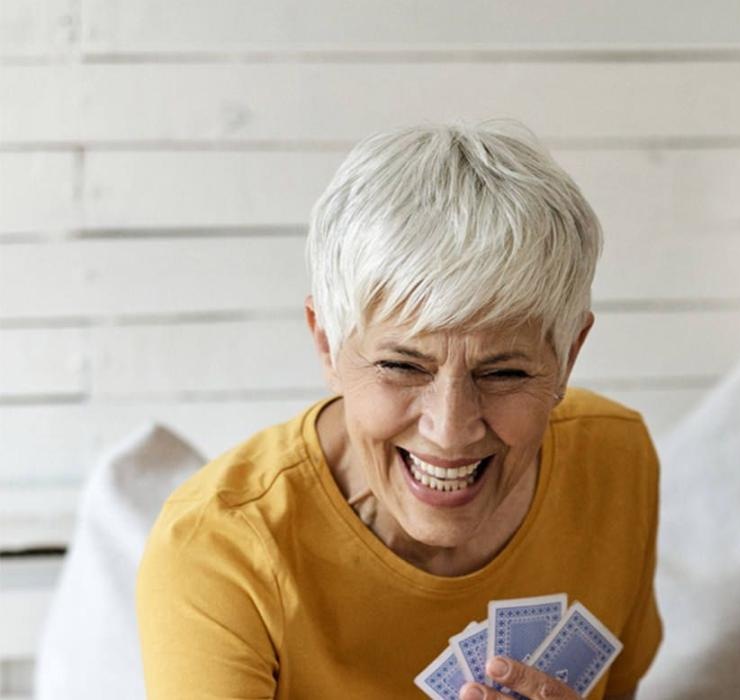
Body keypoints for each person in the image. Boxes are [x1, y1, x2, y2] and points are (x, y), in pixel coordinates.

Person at [136, 122, 661, 699]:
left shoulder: (617, 460)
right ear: (327, 345)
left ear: (568, 357)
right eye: (402, 367)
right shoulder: (219, 549)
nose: (451, 427)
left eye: (504, 372)